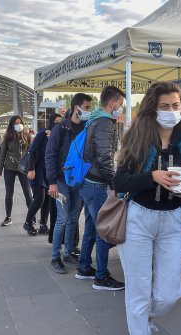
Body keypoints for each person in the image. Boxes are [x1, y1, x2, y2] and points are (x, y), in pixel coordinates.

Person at [113, 82, 181, 333]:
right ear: (153, 108)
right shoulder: (138, 138)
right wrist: (151, 177)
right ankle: (140, 324)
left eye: (175, 105)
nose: (171, 110)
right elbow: (119, 181)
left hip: (173, 221)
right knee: (138, 290)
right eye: (165, 106)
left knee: (169, 294)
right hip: (139, 218)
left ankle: (145, 316)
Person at [77, 86, 126, 290]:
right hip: (97, 184)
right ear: (112, 103)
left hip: (87, 181)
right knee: (103, 230)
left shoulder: (92, 120)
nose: (121, 110)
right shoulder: (105, 122)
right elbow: (105, 158)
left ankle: (84, 267)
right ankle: (101, 276)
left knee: (90, 226)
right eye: (121, 106)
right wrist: (114, 183)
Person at [46, 93, 92, 274]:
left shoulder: (86, 128)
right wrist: (52, 183)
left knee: (73, 218)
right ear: (76, 108)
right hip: (61, 181)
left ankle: (69, 252)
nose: (89, 111)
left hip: (79, 181)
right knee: (63, 219)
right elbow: (50, 156)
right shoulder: (61, 129)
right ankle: (55, 257)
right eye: (87, 108)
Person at [23, 113, 62, 236]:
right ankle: (28, 222)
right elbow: (32, 151)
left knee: (47, 201)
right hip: (37, 171)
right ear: (51, 122)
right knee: (39, 198)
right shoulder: (42, 134)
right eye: (56, 122)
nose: (58, 124)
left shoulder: (59, 136)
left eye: (60, 122)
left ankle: (43, 225)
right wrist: (31, 169)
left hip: (48, 173)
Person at [0, 116, 33, 226]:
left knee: (28, 193)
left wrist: (32, 169)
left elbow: (32, 154)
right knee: (9, 194)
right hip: (10, 168)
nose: (18, 125)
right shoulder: (8, 137)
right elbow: (2, 155)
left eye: (20, 123)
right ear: (12, 125)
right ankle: (8, 217)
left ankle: (31, 216)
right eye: (16, 123)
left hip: (23, 168)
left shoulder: (27, 136)